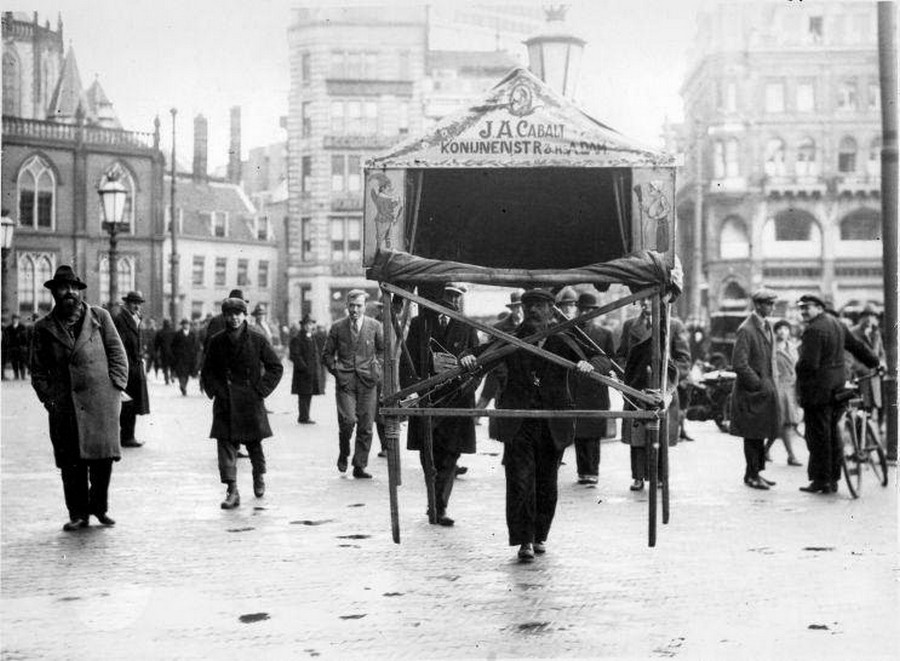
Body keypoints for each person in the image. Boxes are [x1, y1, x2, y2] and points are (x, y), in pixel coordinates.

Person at [461, 288, 597, 562]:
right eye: (530, 305)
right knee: (520, 481)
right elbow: (478, 354)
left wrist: (588, 365)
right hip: (518, 420)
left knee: (547, 482)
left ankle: (539, 536)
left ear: (551, 310)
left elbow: (601, 359)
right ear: (523, 308)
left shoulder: (563, 340)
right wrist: (468, 357)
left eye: (540, 306)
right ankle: (524, 540)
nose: (534, 311)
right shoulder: (511, 339)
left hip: (552, 421)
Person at [30, 265, 128, 531]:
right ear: (55, 292)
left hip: (101, 403)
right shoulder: (43, 328)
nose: (70, 292)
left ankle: (99, 508)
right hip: (65, 407)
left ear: (80, 292)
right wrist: (50, 400)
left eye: (74, 288)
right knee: (71, 464)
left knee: (102, 460)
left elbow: (118, 354)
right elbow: (37, 371)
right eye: (64, 288)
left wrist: (115, 387)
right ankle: (78, 514)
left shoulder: (100, 317)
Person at [402, 283, 480, 526]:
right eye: (449, 295)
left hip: (457, 402)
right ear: (439, 296)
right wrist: (412, 391)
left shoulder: (467, 326)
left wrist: (467, 386)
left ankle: (439, 507)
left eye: (457, 297)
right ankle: (433, 502)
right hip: (428, 399)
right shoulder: (420, 324)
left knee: (450, 455)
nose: (454, 301)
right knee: (429, 455)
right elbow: (407, 362)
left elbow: (480, 365)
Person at [201, 295, 283, 508]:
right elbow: (207, 371)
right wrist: (217, 391)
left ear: (244, 315)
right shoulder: (216, 341)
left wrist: (260, 391)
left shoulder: (257, 339)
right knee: (225, 446)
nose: (233, 319)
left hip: (250, 400)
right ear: (224, 316)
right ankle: (232, 490)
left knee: (254, 444)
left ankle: (258, 476)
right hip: (225, 401)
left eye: (237, 314)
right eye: (229, 315)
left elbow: (275, 367)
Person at [795, 294, 878, 494]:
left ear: (819, 308)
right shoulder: (837, 324)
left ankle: (821, 481)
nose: (804, 311)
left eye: (808, 307)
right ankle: (833, 479)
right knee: (833, 434)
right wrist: (874, 362)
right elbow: (856, 346)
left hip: (817, 393)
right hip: (838, 390)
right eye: (802, 308)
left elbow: (809, 364)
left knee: (818, 437)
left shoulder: (813, 330)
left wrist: (798, 372)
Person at [616, 298, 691, 492]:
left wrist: (667, 378)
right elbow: (621, 356)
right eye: (643, 299)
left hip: (662, 389)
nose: (646, 303)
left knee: (660, 435)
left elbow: (684, 360)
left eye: (650, 299)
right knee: (637, 436)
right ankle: (638, 476)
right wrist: (629, 377)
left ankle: (659, 476)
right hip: (635, 389)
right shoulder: (630, 325)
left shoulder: (673, 325)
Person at [322, 289, 384, 479]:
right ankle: (344, 451)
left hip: (368, 381)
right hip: (346, 382)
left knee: (366, 425)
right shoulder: (338, 327)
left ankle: (359, 465)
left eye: (358, 306)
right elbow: (327, 354)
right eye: (351, 305)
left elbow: (382, 352)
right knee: (348, 421)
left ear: (365, 306)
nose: (354, 310)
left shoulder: (375, 326)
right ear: (346, 306)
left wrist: (376, 370)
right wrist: (337, 371)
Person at [728, 288, 781, 490]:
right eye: (770, 304)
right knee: (752, 436)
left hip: (761, 393)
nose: (773, 308)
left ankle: (756, 473)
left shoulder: (765, 326)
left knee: (759, 434)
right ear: (759, 305)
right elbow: (739, 364)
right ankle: (752, 476)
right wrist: (758, 384)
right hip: (752, 393)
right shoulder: (747, 329)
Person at [571, 292, 616, 485]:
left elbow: (611, 360)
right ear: (578, 310)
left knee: (594, 434)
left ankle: (592, 471)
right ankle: (582, 472)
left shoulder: (604, 334)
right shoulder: (569, 331)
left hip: (596, 389)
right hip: (575, 388)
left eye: (590, 310)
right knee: (579, 433)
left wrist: (600, 368)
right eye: (583, 309)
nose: (586, 313)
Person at [475, 291, 523, 430]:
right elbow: (492, 352)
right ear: (511, 309)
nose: (518, 310)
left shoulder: (530, 326)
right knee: (486, 397)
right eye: (515, 307)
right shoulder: (499, 327)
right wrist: (501, 371)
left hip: (518, 372)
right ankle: (474, 419)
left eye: (520, 306)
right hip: (498, 371)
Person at [113, 291, 150, 448]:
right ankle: (126, 437)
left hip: (135, 367)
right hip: (127, 368)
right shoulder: (121, 319)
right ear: (127, 304)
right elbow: (119, 345)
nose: (136, 306)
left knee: (133, 403)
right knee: (127, 404)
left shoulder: (136, 319)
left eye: (139, 303)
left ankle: (129, 436)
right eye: (134, 303)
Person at [766, 319, 803, 466]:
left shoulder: (793, 347)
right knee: (783, 423)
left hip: (792, 388)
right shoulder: (771, 348)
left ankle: (766, 449)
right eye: (780, 329)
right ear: (775, 332)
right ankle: (791, 455)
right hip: (778, 388)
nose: (783, 332)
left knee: (785, 423)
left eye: (785, 329)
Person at [849, 304, 885, 424]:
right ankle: (861, 439)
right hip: (860, 378)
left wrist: (882, 363)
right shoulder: (853, 333)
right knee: (860, 411)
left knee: (873, 409)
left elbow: (880, 353)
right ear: (861, 318)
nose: (870, 319)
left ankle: (871, 437)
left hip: (874, 378)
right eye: (866, 316)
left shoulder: (876, 333)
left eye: (873, 316)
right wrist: (862, 369)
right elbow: (850, 358)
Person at [289, 313, 325, 423]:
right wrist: (304, 368)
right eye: (307, 324)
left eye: (311, 324)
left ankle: (305, 416)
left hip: (311, 372)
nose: (310, 326)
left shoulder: (311, 337)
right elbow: (295, 355)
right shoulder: (298, 338)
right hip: (303, 373)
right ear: (303, 325)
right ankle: (303, 417)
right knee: (303, 394)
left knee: (308, 394)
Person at [171, 318, 199, 396]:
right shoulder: (178, 334)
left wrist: (194, 354)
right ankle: (182, 385)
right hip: (180, 357)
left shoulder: (192, 334)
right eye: (184, 324)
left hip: (189, 357)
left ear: (189, 325)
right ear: (182, 325)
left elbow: (195, 345)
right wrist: (175, 353)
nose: (186, 325)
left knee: (186, 373)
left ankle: (184, 386)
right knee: (181, 373)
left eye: (187, 324)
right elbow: (173, 345)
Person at [3, 314, 29, 379]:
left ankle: (23, 376)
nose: (15, 320)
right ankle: (16, 376)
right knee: (14, 363)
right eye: (14, 319)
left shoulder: (22, 327)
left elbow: (25, 338)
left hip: (21, 348)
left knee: (22, 363)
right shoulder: (8, 328)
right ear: (12, 320)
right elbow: (7, 338)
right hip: (13, 348)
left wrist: (24, 346)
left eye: (16, 319)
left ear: (18, 320)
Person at [154, 318, 175, 384]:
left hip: (163, 351)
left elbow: (156, 343)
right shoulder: (173, 332)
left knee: (165, 366)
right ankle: (172, 375)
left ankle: (166, 379)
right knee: (172, 365)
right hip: (172, 351)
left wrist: (156, 350)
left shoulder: (160, 332)